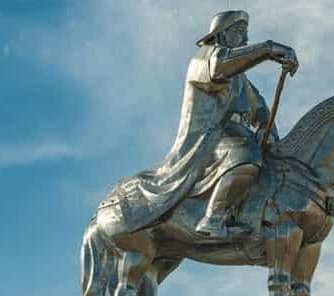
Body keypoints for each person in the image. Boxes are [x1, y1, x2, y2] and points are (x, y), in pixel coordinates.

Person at [106, 10, 299, 240]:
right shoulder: (204, 58)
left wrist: (267, 131)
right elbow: (219, 68)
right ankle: (213, 219)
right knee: (245, 156)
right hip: (208, 140)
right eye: (239, 32)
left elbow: (261, 109)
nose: (245, 40)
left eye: (246, 34)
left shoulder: (241, 79)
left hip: (237, 135)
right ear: (221, 35)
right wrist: (267, 49)